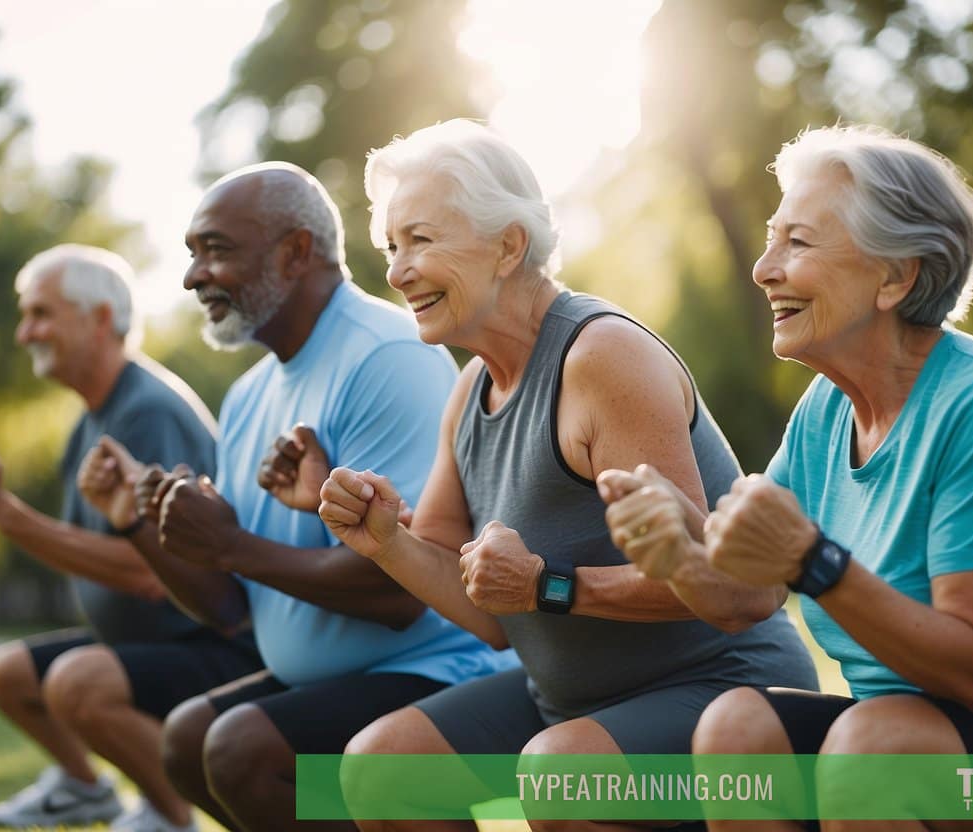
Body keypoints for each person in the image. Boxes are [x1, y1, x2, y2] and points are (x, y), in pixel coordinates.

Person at [607, 125, 973, 832]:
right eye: (770, 240)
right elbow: (747, 595)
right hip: (918, 732)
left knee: (875, 749)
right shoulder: (826, 411)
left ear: (897, 276)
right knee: (737, 725)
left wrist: (813, 560)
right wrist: (681, 556)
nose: (763, 267)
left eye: (797, 243)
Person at [316, 119, 818, 831]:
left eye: (420, 240)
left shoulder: (601, 356)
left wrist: (546, 585)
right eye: (391, 247)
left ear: (506, 246)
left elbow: (724, 583)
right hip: (567, 703)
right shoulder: (468, 394)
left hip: (720, 689)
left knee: (561, 778)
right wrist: (384, 542)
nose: (396, 271)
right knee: (381, 769)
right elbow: (491, 617)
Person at [79, 161, 510, 832]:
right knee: (188, 740)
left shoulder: (385, 352)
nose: (194, 277)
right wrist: (145, 522)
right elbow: (231, 611)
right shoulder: (249, 394)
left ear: (295, 251)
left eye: (216, 250)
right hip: (329, 677)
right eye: (191, 255)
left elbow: (400, 594)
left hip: (441, 670)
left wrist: (230, 543)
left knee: (242, 749)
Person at [0, 245, 263, 832]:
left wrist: (2, 512)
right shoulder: (91, 419)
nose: (24, 332)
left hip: (209, 642)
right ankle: (86, 791)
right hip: (140, 639)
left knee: (76, 683)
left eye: (41, 314)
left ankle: (170, 818)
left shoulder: (147, 413)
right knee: (11, 676)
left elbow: (149, 573)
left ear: (100, 320)